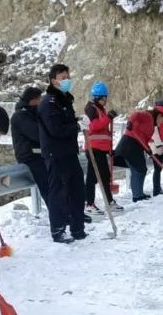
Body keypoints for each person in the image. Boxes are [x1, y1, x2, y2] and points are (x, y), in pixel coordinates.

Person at [38, 63, 86, 243]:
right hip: (55, 154)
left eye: (68, 77)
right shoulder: (48, 103)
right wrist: (77, 126)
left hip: (69, 152)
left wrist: (77, 120)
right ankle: (58, 230)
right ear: (53, 81)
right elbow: (55, 129)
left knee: (77, 189)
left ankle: (78, 228)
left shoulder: (64, 100)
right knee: (58, 192)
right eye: (62, 78)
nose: (66, 80)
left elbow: (65, 121)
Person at [83, 80, 121, 213]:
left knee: (103, 176)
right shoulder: (91, 109)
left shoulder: (100, 110)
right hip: (93, 149)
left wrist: (109, 149)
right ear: (99, 97)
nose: (106, 100)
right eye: (104, 97)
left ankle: (108, 201)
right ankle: (89, 203)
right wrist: (108, 118)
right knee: (94, 177)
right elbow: (93, 127)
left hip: (100, 149)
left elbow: (105, 132)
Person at [114, 108, 163, 201]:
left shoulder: (152, 127)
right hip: (130, 143)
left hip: (137, 145)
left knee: (140, 170)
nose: (162, 123)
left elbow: (144, 139)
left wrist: (148, 149)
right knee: (138, 170)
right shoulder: (148, 116)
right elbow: (136, 115)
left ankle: (138, 194)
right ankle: (137, 195)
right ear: (159, 116)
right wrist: (130, 123)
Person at [11, 86, 49, 199]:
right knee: (49, 188)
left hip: (42, 155)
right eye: (39, 99)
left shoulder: (34, 113)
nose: (41, 101)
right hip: (30, 157)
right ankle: (60, 215)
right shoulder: (20, 116)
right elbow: (37, 134)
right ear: (32, 100)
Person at [148, 100, 163, 196]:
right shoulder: (159, 114)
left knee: (158, 168)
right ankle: (156, 190)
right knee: (158, 168)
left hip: (157, 144)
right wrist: (159, 145)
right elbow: (155, 131)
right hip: (157, 145)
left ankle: (157, 189)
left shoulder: (159, 114)